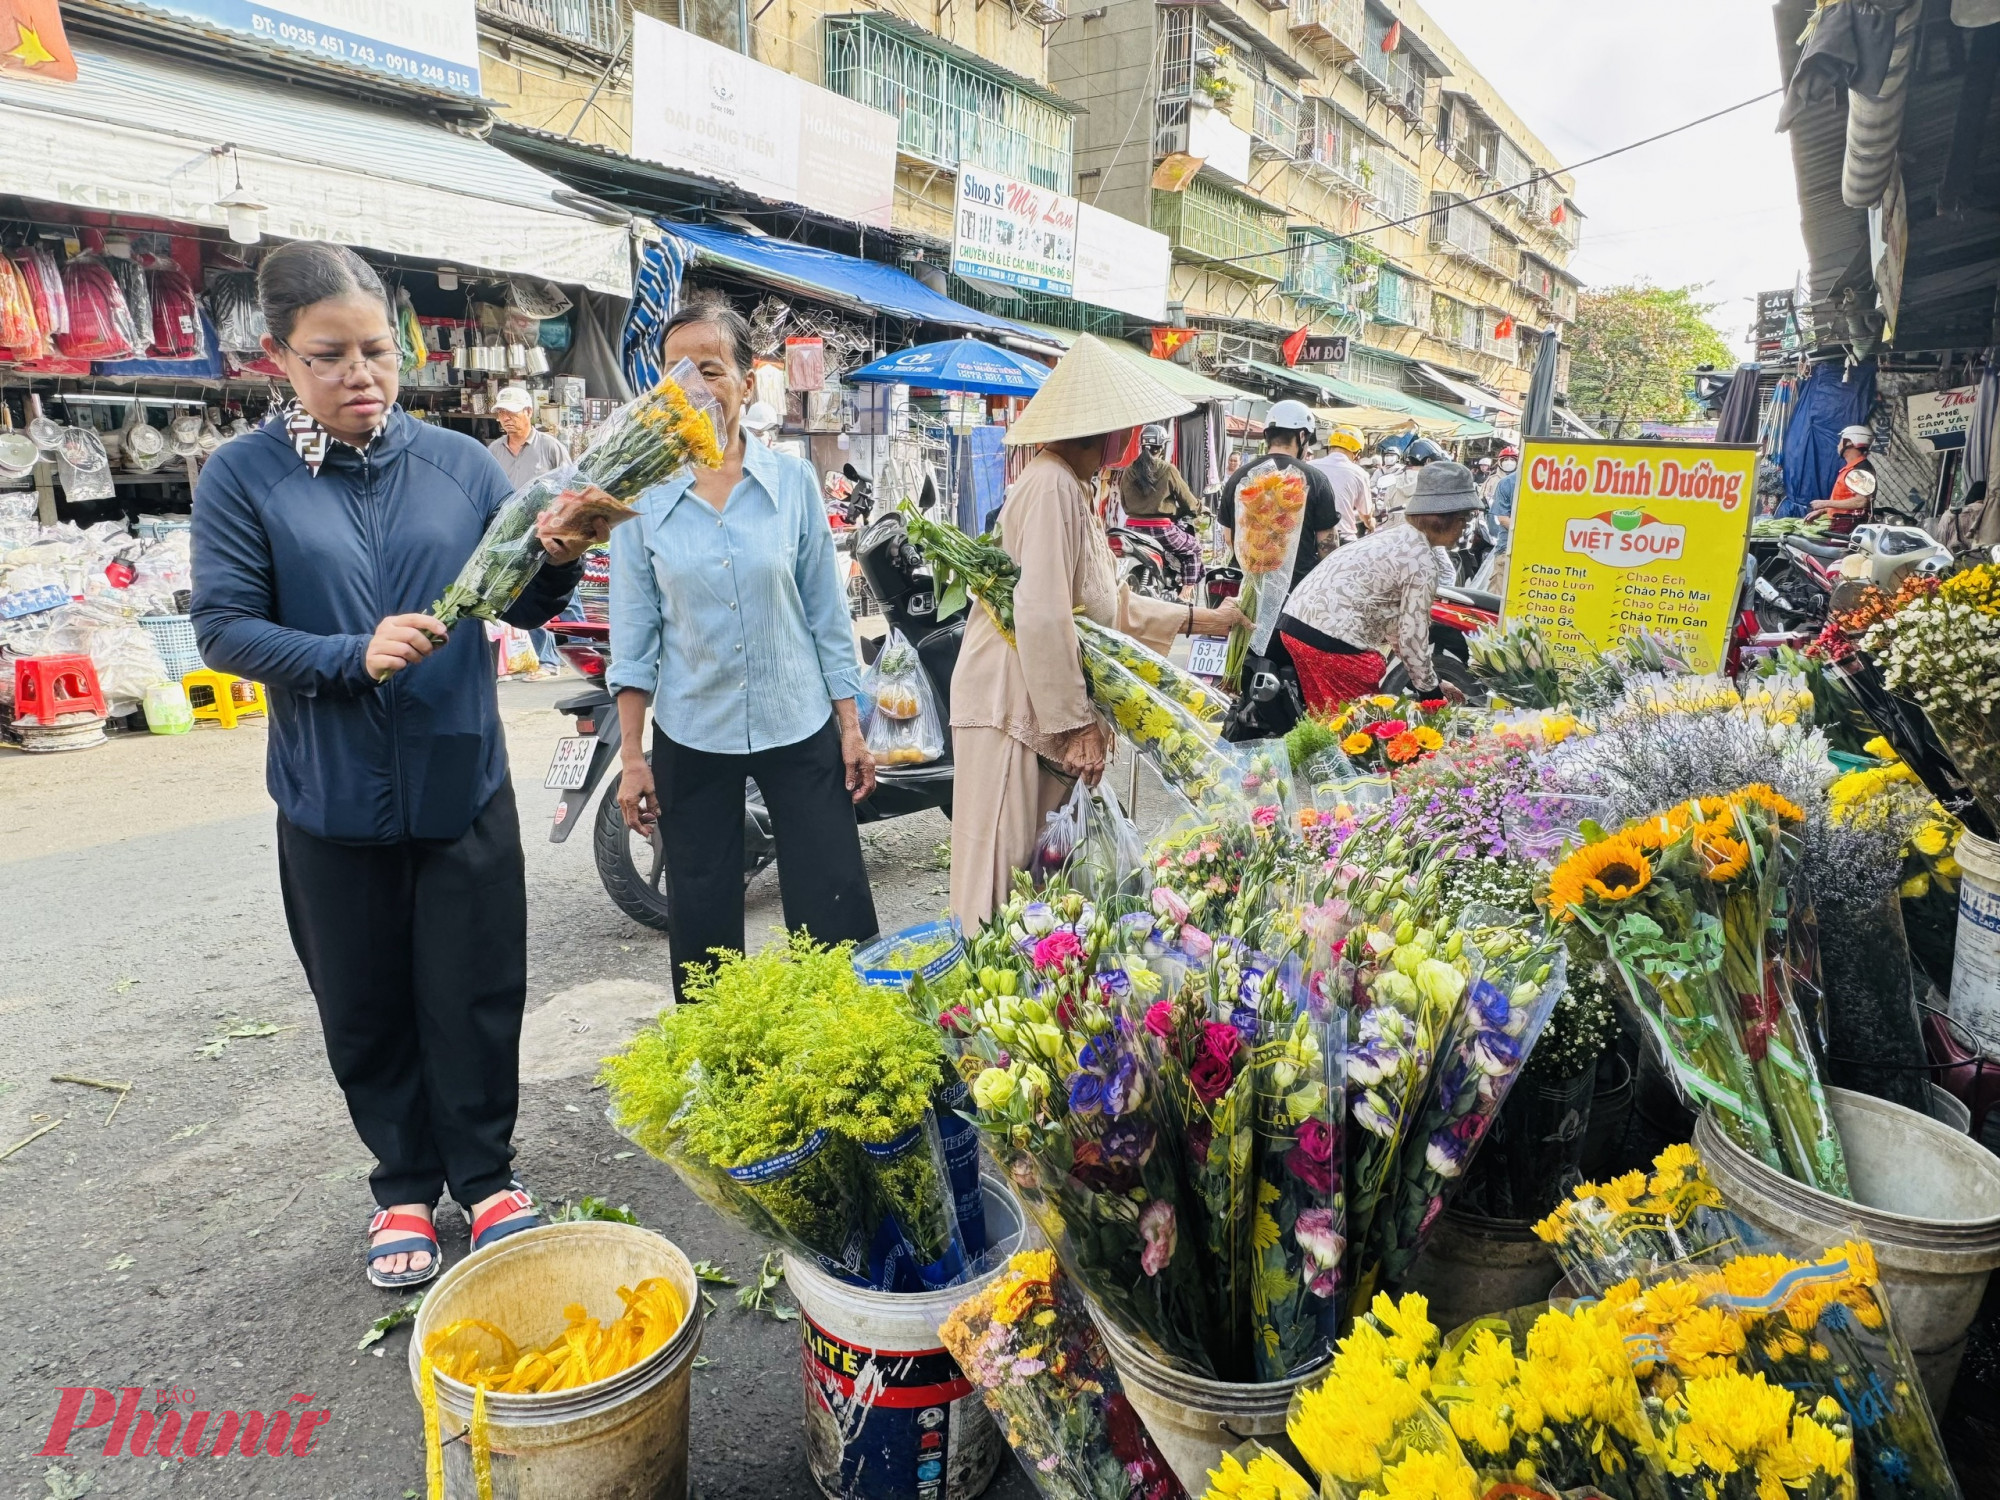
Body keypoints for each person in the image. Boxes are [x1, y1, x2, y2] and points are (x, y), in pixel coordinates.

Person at [191, 241, 594, 1289]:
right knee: (364, 1001)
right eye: (328, 356)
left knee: (474, 989)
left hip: (460, 779)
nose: (359, 374)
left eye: (376, 350)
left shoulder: (461, 464)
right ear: (279, 358)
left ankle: (489, 1174)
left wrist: (559, 558)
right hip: (329, 799)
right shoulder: (244, 479)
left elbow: (519, 604)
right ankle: (405, 1186)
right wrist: (345, 656)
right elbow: (225, 631)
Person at [608, 293, 879, 1001]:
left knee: (833, 908)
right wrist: (634, 757)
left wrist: (850, 725)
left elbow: (826, 613)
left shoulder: (789, 484)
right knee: (702, 922)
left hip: (798, 721)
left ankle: (850, 1067)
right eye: (675, 372)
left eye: (709, 368)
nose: (692, 387)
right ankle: (723, 1074)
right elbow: (634, 639)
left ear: (746, 382)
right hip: (695, 733)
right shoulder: (639, 500)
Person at [950, 335, 1245, 928]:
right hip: (1012, 700)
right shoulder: (1051, 483)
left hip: (1037, 695)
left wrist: (1199, 619)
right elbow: (1042, 611)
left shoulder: (1076, 487)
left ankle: (1018, 988)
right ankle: (972, 996)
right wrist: (1076, 722)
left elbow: (1104, 606)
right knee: (998, 874)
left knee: (1038, 870)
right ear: (1113, 433)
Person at [1276, 462, 1484, 710]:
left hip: (1298, 622)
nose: (1464, 527)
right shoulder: (1422, 561)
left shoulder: (1398, 535)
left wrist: (1434, 683)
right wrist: (1430, 694)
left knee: (1328, 720)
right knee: (1358, 726)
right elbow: (1412, 639)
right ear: (1444, 519)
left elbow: (1399, 632)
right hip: (1329, 638)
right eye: (1463, 519)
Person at [488, 385, 573, 677]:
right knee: (518, 594)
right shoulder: (493, 450)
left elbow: (572, 484)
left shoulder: (549, 447)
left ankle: (562, 654)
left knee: (553, 593)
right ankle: (545, 658)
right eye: (501, 413)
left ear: (528, 412)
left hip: (543, 533)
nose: (506, 419)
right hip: (508, 535)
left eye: (511, 412)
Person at [1218, 399, 1339, 592]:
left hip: (1248, 587)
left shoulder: (1239, 477)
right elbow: (1327, 546)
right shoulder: (1316, 480)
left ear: (1267, 435)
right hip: (1297, 590)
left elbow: (1228, 537)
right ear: (1301, 436)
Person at [1119, 424, 1204, 588]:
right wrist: (1200, 508)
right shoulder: (1168, 469)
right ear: (1162, 447)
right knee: (1194, 549)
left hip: (1131, 530)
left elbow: (1124, 502)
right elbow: (1189, 502)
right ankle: (1185, 594)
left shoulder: (1129, 470)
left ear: (1141, 445)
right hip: (1161, 531)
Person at [1307, 424, 1371, 545]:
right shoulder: (1359, 473)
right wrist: (1371, 524)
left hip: (1311, 539)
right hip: (1343, 540)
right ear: (1356, 452)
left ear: (1331, 446)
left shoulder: (1310, 466)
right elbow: (1365, 514)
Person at [1809, 424, 1877, 537]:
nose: (1838, 445)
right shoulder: (1852, 468)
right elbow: (1846, 498)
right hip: (1843, 523)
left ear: (1850, 443)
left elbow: (1861, 501)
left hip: (1848, 525)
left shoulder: (1860, 470)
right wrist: (1823, 510)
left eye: (1841, 441)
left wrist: (1824, 503)